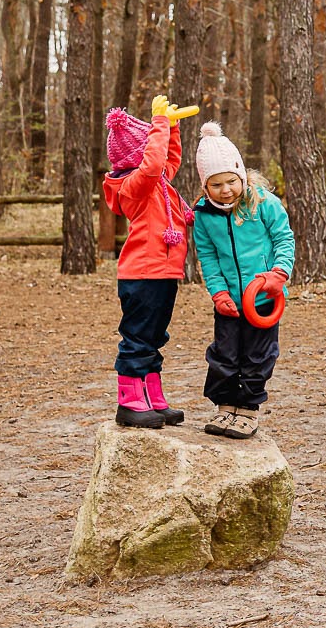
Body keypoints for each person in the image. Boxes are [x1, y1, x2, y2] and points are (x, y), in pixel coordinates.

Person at [190, 123, 295, 438]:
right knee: (224, 354)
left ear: (242, 176)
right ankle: (225, 408)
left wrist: (278, 273)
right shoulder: (203, 216)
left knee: (257, 356)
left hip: (262, 299)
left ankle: (248, 409)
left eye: (231, 182)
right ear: (205, 186)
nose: (225, 190)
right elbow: (207, 258)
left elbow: (283, 239)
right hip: (230, 303)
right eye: (216, 184)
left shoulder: (261, 202)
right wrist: (218, 293)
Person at [101, 99, 195, 429]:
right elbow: (155, 164)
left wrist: (171, 128)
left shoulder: (157, 182)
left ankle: (151, 396)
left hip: (164, 273)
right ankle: (129, 401)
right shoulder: (134, 186)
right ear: (137, 156)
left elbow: (167, 159)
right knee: (138, 338)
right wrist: (157, 122)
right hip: (142, 274)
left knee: (155, 337)